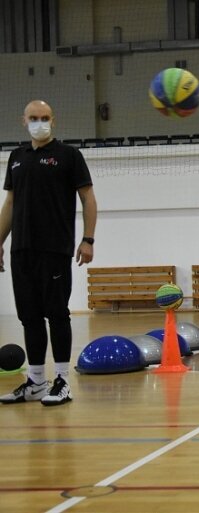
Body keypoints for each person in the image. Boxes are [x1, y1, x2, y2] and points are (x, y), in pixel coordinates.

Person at [0, 100, 97, 406]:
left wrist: (88, 239)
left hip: (55, 248)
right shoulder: (16, 157)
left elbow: (88, 199)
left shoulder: (69, 155)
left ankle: (63, 381)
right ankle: (36, 382)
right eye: (33, 118)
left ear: (53, 121)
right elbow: (10, 205)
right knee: (29, 316)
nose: (38, 122)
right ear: (23, 120)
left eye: (44, 118)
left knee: (56, 313)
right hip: (22, 250)